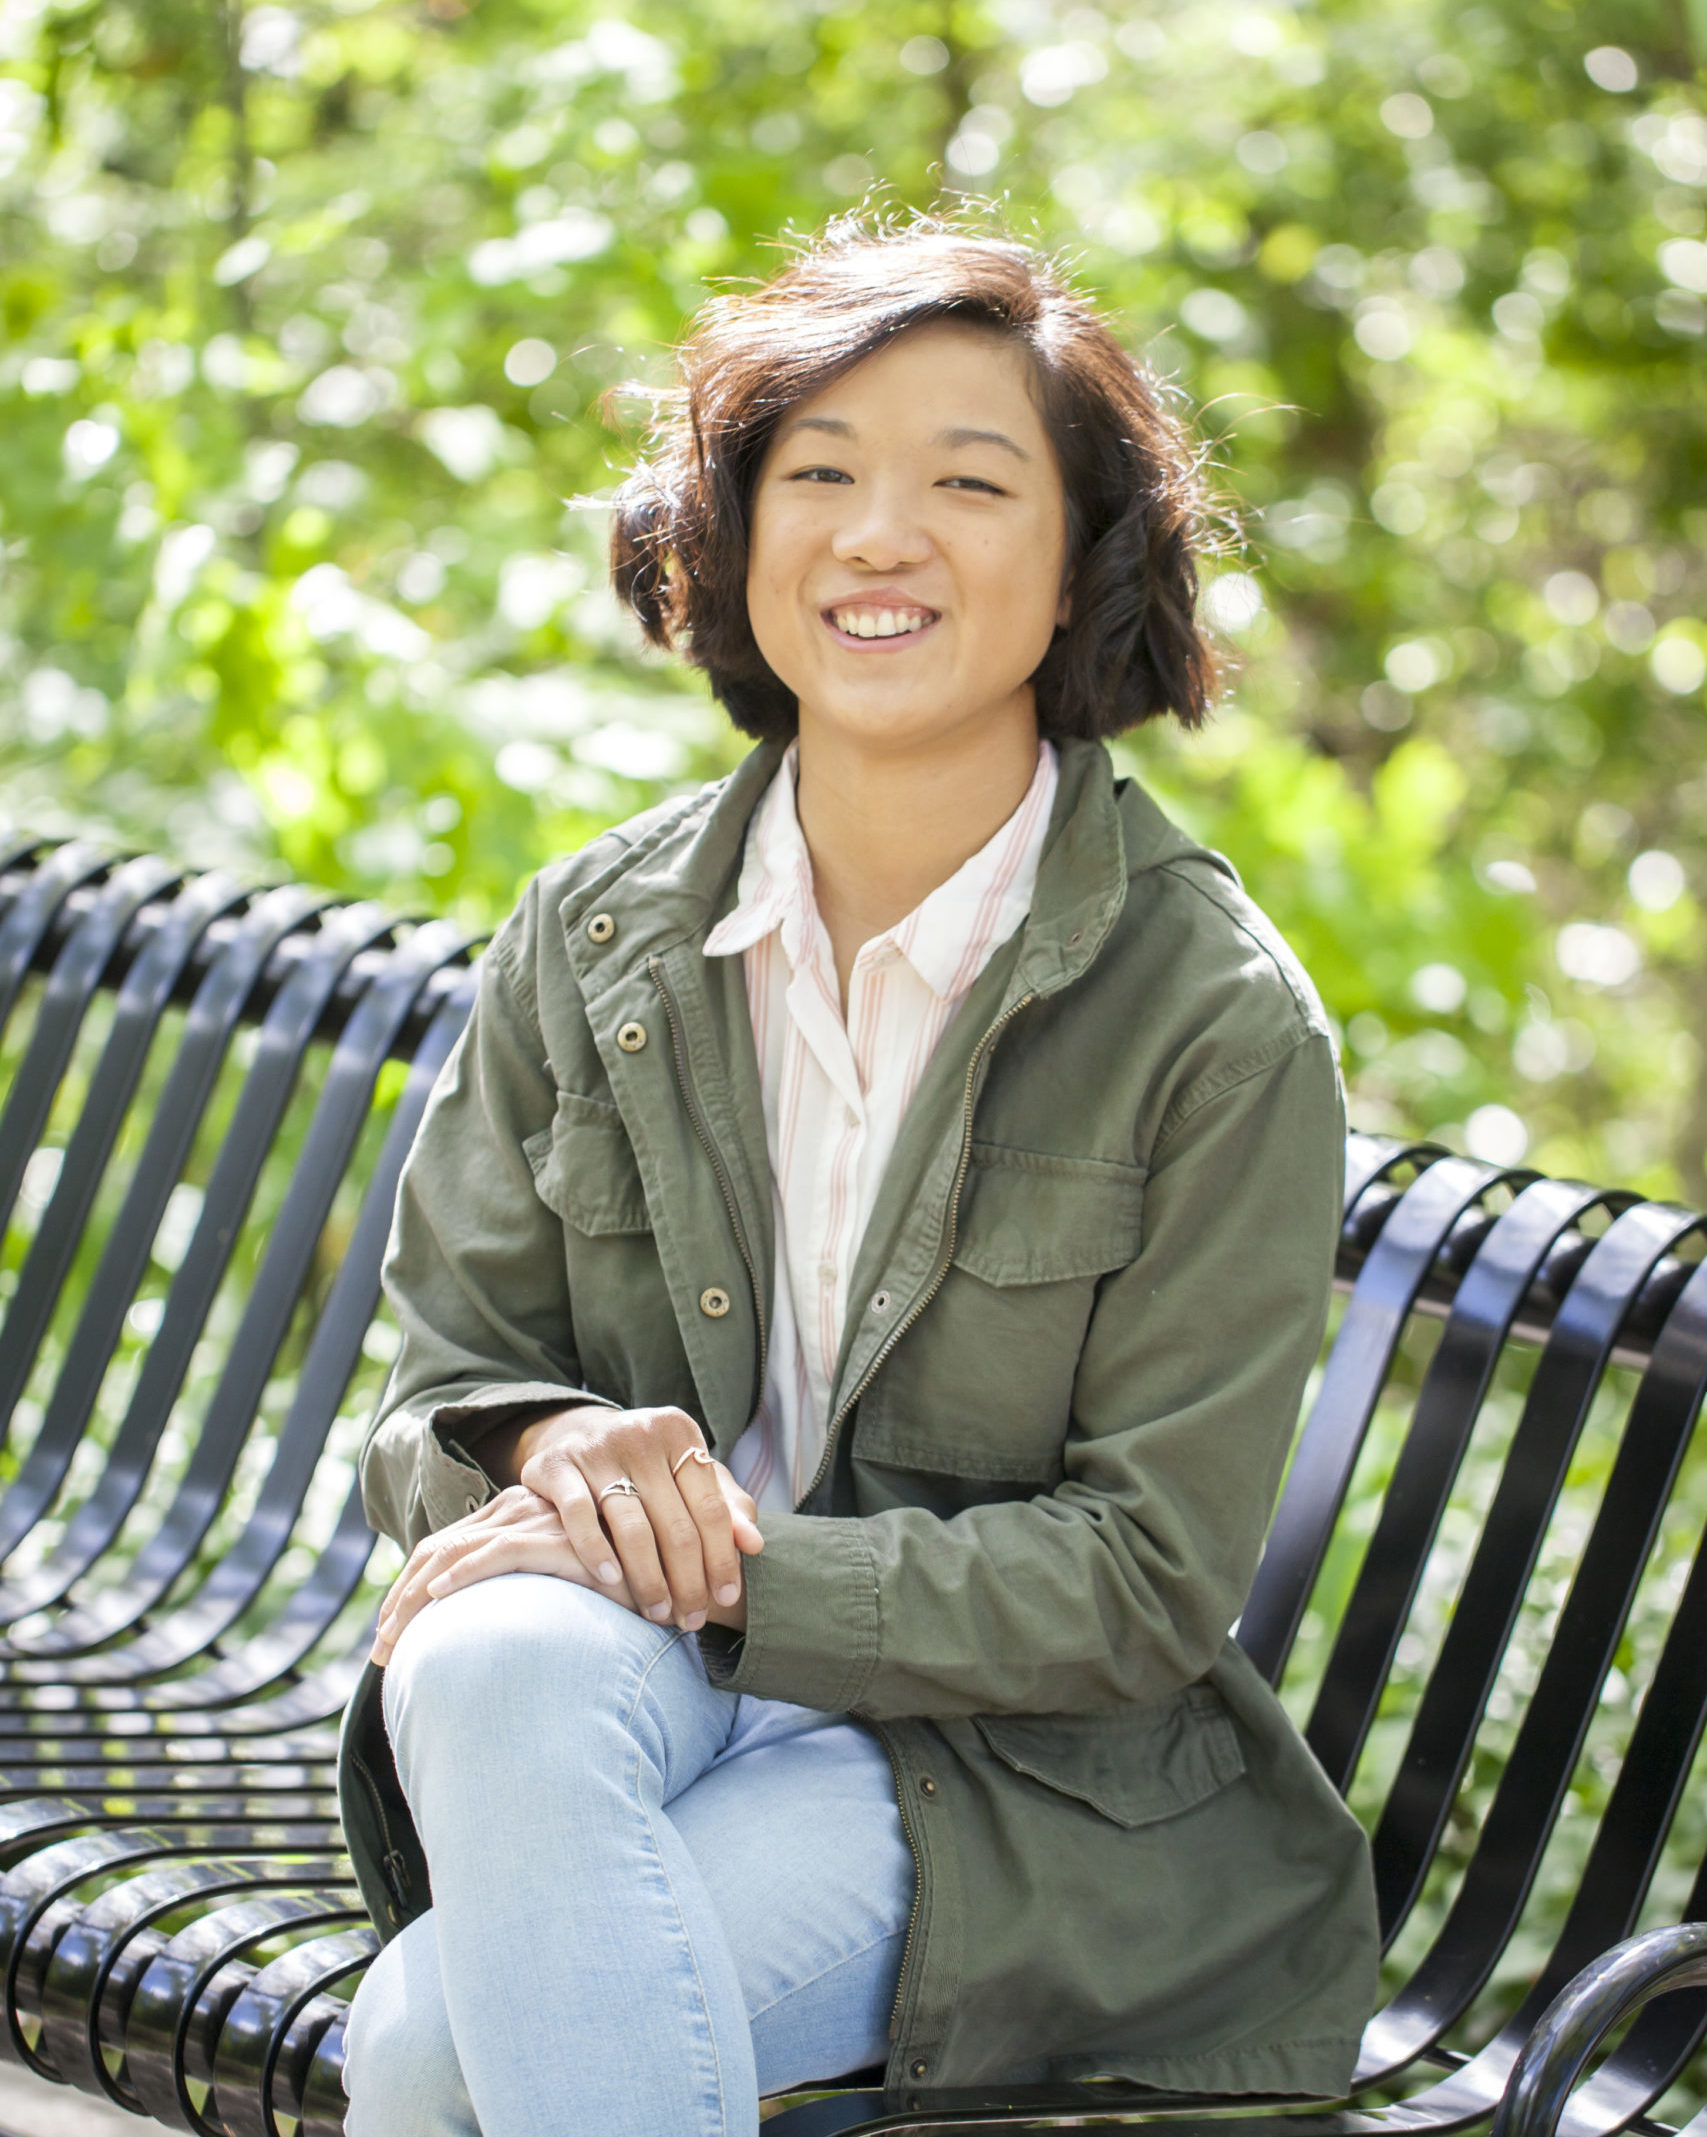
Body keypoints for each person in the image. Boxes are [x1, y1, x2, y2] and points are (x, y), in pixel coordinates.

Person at [336, 214, 1379, 2137]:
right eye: (816, 474)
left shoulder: (1209, 1017)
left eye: (968, 484)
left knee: (421, 2049)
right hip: (634, 1685)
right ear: (733, 539)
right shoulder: (594, 938)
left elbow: (1143, 1583)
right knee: (482, 1652)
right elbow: (437, 1403)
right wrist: (547, 1444)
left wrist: (731, 1569)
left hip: (1005, 1779)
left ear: (1082, 566)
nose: (877, 536)